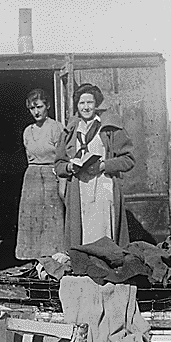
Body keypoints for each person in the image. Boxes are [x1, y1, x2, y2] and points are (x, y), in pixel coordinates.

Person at [54, 83, 135, 248]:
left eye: (89, 102)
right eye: (81, 103)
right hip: (80, 190)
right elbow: (59, 164)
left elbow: (128, 160)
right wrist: (70, 168)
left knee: (103, 232)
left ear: (96, 104)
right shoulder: (70, 131)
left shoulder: (109, 128)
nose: (85, 107)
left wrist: (103, 165)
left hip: (104, 189)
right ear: (77, 106)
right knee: (83, 234)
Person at [15, 88, 66, 260]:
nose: (36, 111)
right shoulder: (28, 131)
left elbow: (63, 156)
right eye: (32, 108)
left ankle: (53, 259)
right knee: (32, 220)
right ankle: (31, 260)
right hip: (32, 179)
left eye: (39, 106)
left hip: (52, 176)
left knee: (52, 218)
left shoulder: (57, 128)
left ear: (48, 106)